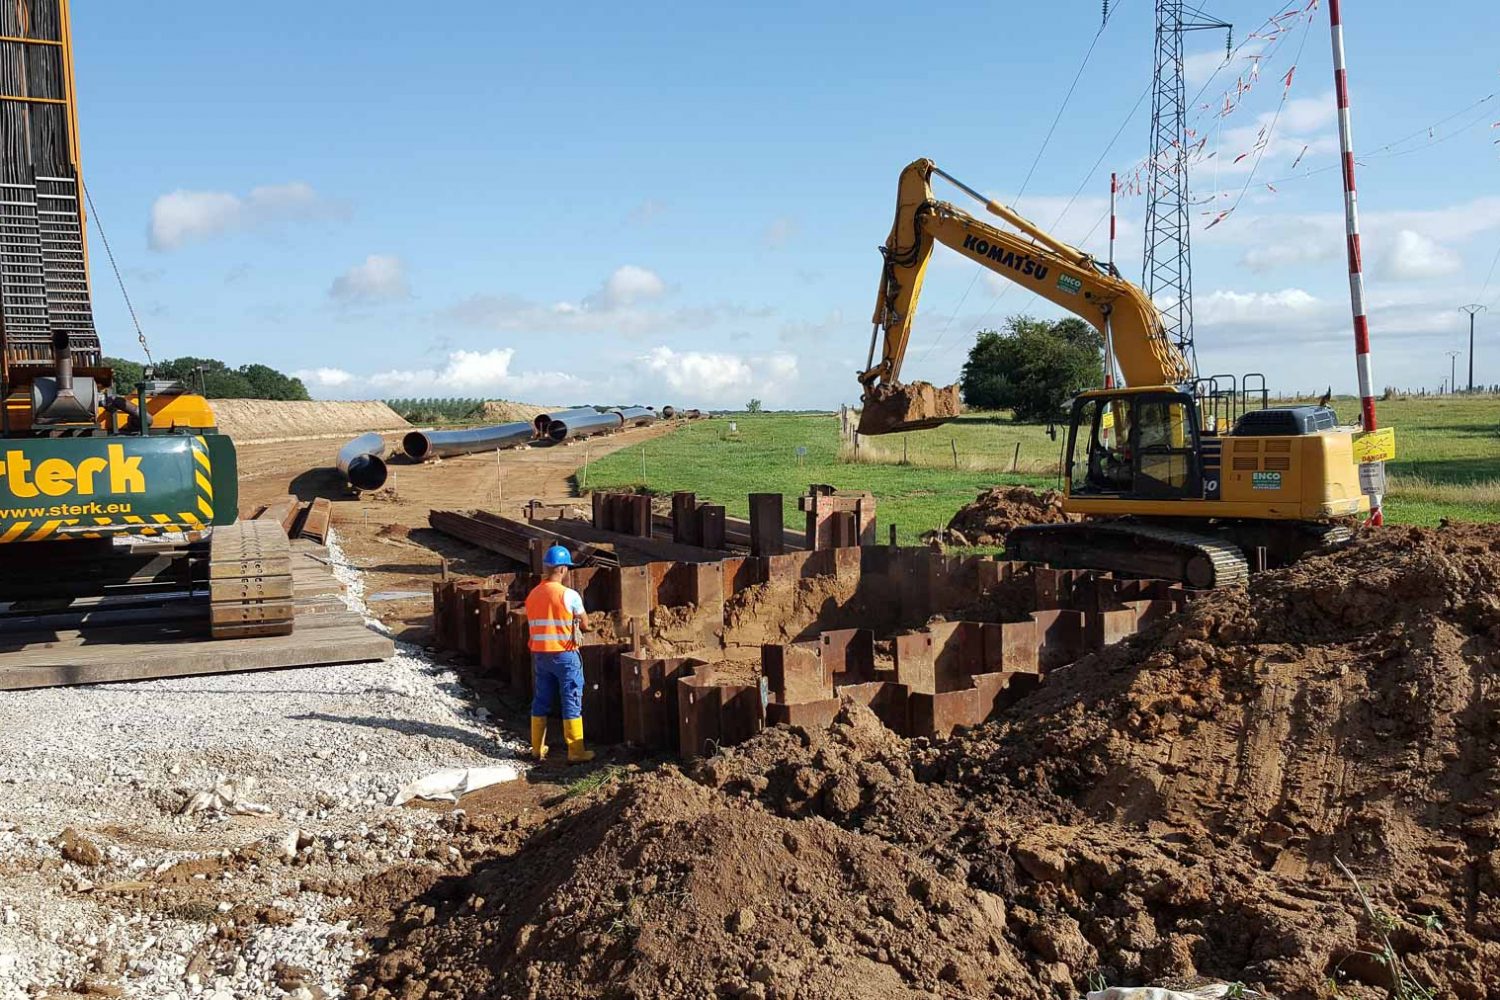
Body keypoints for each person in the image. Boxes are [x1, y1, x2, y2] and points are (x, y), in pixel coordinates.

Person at [523, 545, 595, 764]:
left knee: (541, 700)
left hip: (540, 655)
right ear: (563, 569)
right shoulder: (569, 595)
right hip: (564, 655)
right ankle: (576, 751)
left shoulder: (533, 594)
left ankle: (536, 749)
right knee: (571, 698)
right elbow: (584, 623)